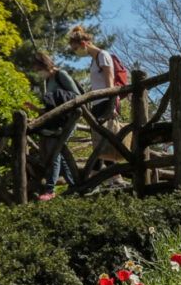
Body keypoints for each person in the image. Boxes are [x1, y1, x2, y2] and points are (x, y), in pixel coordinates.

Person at [68, 25, 126, 170]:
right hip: (97, 104)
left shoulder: (103, 56)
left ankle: (105, 176)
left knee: (104, 141)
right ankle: (104, 176)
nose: (77, 53)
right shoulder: (94, 60)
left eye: (76, 49)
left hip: (106, 102)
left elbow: (110, 83)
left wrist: (112, 106)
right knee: (100, 141)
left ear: (83, 44)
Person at [30, 50, 79, 199]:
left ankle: (50, 190)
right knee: (58, 151)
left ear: (44, 65)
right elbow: (53, 107)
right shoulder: (48, 81)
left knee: (55, 151)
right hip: (56, 121)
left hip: (68, 120)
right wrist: (37, 109)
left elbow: (77, 96)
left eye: (38, 69)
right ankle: (74, 185)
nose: (38, 73)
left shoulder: (61, 75)